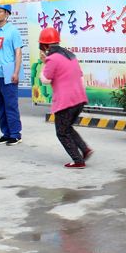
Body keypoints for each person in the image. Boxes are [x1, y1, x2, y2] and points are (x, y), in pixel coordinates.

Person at [38, 27, 93, 168]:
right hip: (79, 99)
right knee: (67, 127)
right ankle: (85, 149)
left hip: (65, 102)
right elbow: (80, 76)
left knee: (61, 132)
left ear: (45, 46)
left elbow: (45, 79)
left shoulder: (52, 59)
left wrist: (44, 63)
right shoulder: (70, 55)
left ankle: (78, 160)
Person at [0, 4, 23, 146]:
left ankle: (15, 134)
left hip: (8, 73)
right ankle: (6, 133)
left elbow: (18, 52)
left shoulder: (13, 31)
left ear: (7, 14)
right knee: (0, 106)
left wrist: (16, 72)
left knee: (10, 105)